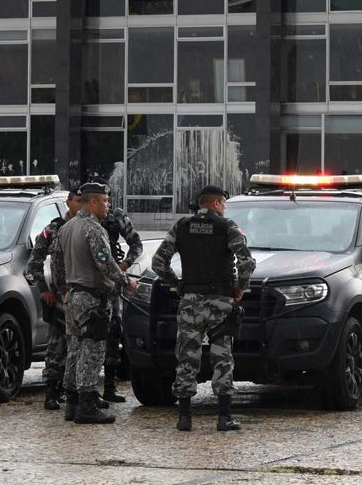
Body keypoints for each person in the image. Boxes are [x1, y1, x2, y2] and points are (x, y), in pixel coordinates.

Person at [152, 184, 256, 432]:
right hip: (220, 301)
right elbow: (246, 263)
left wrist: (175, 284)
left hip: (190, 301)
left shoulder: (182, 226)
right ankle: (224, 416)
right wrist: (240, 287)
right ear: (217, 203)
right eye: (224, 204)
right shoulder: (227, 226)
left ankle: (185, 417)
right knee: (222, 357)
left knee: (187, 356)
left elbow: (158, 262)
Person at [49, 181, 136, 425]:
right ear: (94, 202)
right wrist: (125, 281)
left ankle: (72, 402)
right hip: (93, 298)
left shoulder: (67, 228)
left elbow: (56, 262)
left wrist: (63, 289)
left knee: (75, 348)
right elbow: (106, 263)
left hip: (74, 297)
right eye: (105, 201)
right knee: (92, 349)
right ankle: (87, 405)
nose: (108, 206)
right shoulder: (94, 229)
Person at [26, 189, 81, 411]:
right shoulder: (54, 228)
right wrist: (44, 290)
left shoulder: (93, 227)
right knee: (57, 347)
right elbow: (34, 263)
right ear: (68, 203)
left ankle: (78, 392)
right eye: (78, 201)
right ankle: (51, 391)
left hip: (85, 296)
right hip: (60, 297)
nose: (81, 205)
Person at [99, 189, 143, 403]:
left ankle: (109, 386)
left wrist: (124, 265)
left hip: (113, 284)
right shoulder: (81, 221)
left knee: (114, 331)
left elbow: (136, 243)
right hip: (90, 282)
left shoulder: (116, 216)